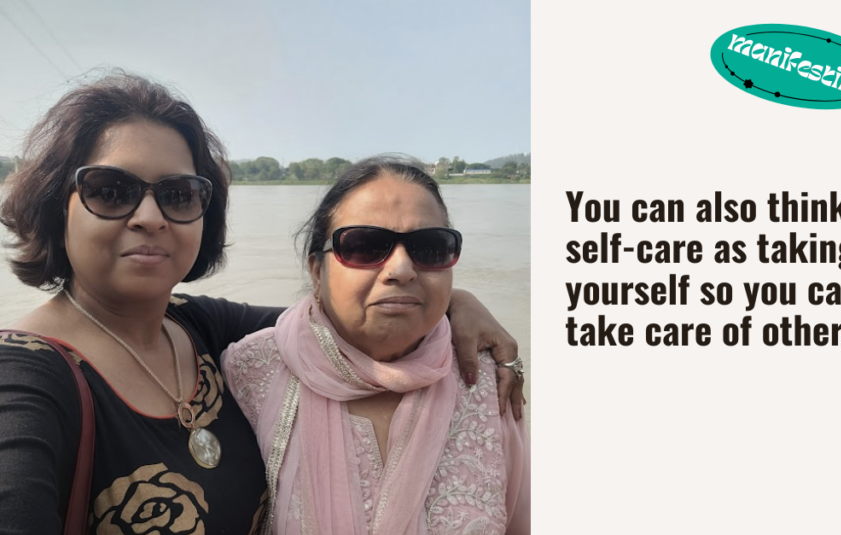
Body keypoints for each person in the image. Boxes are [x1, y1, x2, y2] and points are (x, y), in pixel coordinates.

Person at [0, 73, 524, 534]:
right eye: (112, 190)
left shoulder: (196, 327)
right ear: (55, 205)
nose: (149, 216)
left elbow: (342, 321)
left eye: (179, 194)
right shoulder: (25, 381)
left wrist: (449, 296)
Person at [221, 155, 529, 535]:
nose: (401, 269)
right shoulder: (252, 370)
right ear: (317, 271)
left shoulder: (487, 379)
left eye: (430, 247)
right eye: (365, 246)